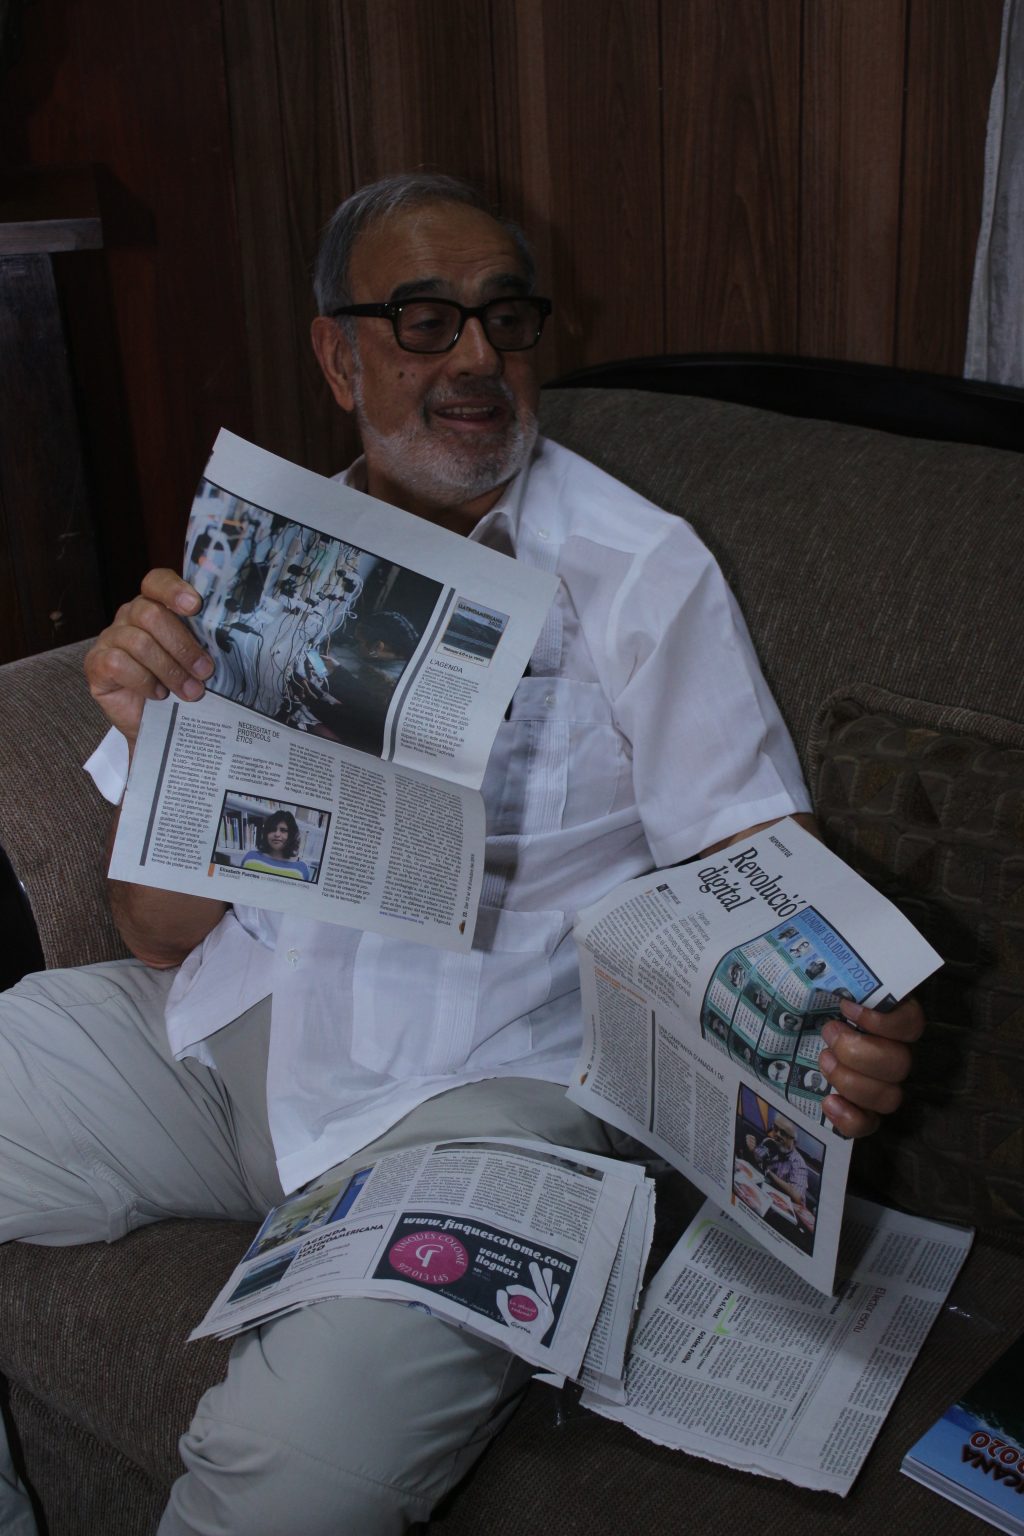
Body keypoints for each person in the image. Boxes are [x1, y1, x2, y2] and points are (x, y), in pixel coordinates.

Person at [0, 173, 926, 1536]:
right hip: (233, 1033)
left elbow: (758, 873)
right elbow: (152, 933)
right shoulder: (260, 566)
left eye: (506, 318)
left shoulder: (637, 567)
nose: (478, 357)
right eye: (426, 320)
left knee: (291, 1472)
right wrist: (166, 740)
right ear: (338, 356)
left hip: (495, 1099)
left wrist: (850, 1020)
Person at [745, 1117, 810, 1203]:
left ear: (793, 1140)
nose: (777, 1134)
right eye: (775, 1129)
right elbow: (758, 1160)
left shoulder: (798, 1163)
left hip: (781, 1204)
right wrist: (751, 1150)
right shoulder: (769, 1142)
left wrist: (768, 1172)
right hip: (761, 1193)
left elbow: (797, 1196)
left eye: (783, 1133)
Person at [238, 810, 312, 881]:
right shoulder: (250, 858)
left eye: (283, 830)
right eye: (272, 829)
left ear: (291, 835)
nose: (277, 834)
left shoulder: (301, 869)